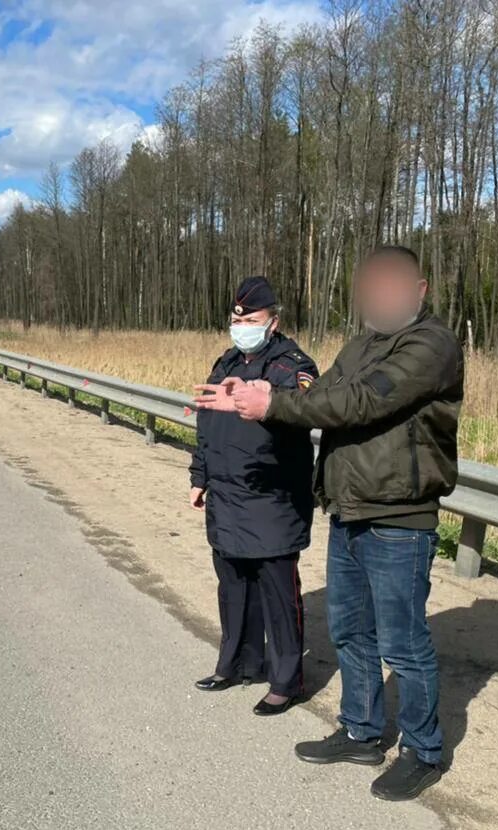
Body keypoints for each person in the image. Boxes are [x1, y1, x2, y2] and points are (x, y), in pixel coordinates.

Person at [194, 245, 464, 801]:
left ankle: (422, 749)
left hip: (399, 515)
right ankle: (361, 731)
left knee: (403, 643)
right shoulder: (362, 343)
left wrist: (271, 403)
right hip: (350, 507)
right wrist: (263, 398)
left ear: (419, 289)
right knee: (350, 632)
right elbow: (329, 396)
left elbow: (357, 402)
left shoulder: (431, 344)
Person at [190, 276, 319, 715]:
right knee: (234, 588)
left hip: (273, 501)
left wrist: (270, 396)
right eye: (236, 318)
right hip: (226, 495)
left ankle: (286, 681)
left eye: (252, 318)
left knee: (279, 596)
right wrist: (199, 475)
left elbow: (309, 402)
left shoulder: (289, 364)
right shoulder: (225, 363)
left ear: (273, 322)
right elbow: (205, 426)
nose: (241, 324)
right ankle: (239, 663)